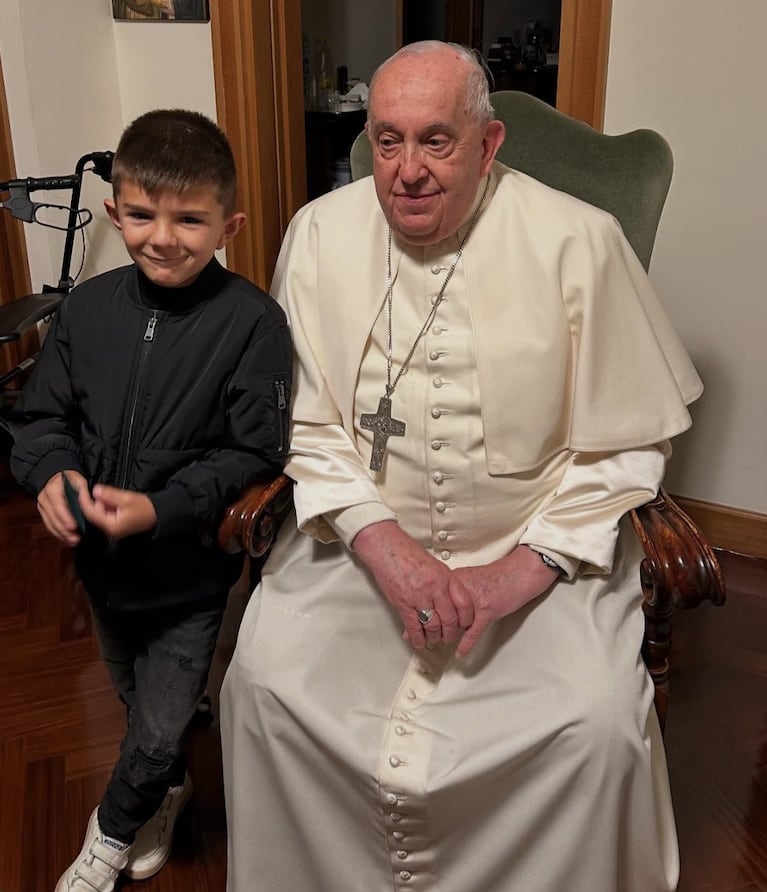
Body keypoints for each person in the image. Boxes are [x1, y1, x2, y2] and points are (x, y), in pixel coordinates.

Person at [221, 41, 701, 892]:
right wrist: (380, 542)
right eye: (386, 140)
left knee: (591, 725)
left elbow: (629, 440)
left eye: (436, 141)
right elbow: (300, 420)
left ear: (488, 146)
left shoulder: (577, 242)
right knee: (262, 683)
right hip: (357, 546)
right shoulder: (317, 234)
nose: (405, 170)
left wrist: (524, 568)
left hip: (541, 555)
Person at [8, 109, 292, 892]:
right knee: (140, 709)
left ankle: (109, 834)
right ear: (113, 212)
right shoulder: (86, 310)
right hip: (100, 573)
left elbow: (253, 452)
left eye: (189, 219)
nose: (162, 237)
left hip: (189, 576)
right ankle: (164, 782)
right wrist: (52, 477)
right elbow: (41, 421)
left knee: (163, 724)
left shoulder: (252, 324)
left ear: (228, 224)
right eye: (140, 214)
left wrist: (161, 511)